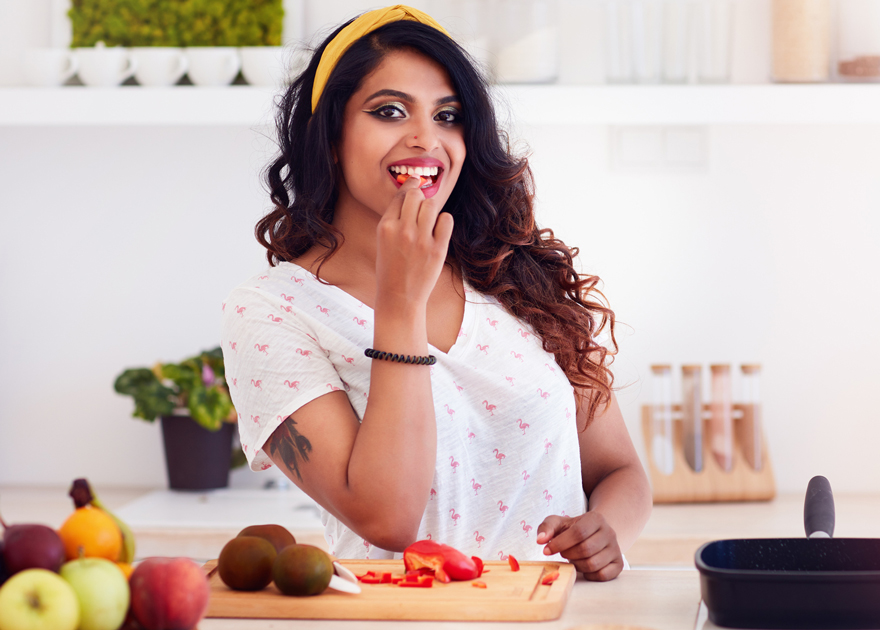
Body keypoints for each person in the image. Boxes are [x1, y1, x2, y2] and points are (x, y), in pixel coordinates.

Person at [220, 6, 651, 581]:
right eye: (389, 111)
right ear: (329, 138)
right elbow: (388, 517)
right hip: (407, 616)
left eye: (449, 116)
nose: (427, 138)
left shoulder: (517, 273)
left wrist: (608, 530)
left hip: (559, 613)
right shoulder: (272, 312)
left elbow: (620, 471)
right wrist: (401, 304)